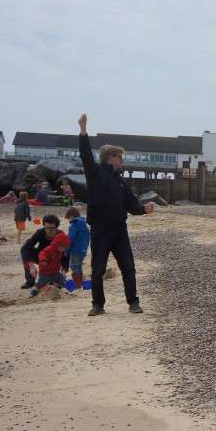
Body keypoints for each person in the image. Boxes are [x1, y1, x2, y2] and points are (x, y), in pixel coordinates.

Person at [78, 113, 156, 316]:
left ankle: (133, 302)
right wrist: (83, 131)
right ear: (110, 158)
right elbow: (85, 154)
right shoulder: (94, 174)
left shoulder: (122, 181)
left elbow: (132, 204)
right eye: (119, 156)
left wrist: (144, 209)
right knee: (98, 270)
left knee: (128, 268)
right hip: (99, 231)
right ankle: (98, 305)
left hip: (120, 231)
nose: (122, 159)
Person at [20, 214, 63, 289]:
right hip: (41, 257)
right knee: (26, 250)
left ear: (56, 227)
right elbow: (25, 248)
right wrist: (31, 266)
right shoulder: (40, 233)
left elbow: (67, 253)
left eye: (52, 228)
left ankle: (52, 279)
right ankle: (30, 281)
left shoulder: (61, 235)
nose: (49, 231)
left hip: (55, 260)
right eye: (47, 228)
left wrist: (64, 270)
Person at [29, 233, 70, 297]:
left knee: (61, 280)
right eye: (63, 247)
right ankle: (33, 293)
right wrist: (43, 260)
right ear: (58, 244)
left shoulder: (59, 252)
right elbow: (41, 254)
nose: (63, 249)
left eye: (64, 248)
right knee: (40, 283)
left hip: (55, 272)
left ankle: (56, 290)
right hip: (45, 273)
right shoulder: (49, 249)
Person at [64, 207, 90, 290]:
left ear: (71, 217)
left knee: (73, 266)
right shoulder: (83, 224)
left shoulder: (73, 225)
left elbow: (70, 238)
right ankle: (81, 282)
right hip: (83, 249)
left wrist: (66, 250)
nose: (69, 221)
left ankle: (77, 284)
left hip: (75, 249)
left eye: (68, 219)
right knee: (79, 266)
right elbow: (87, 237)